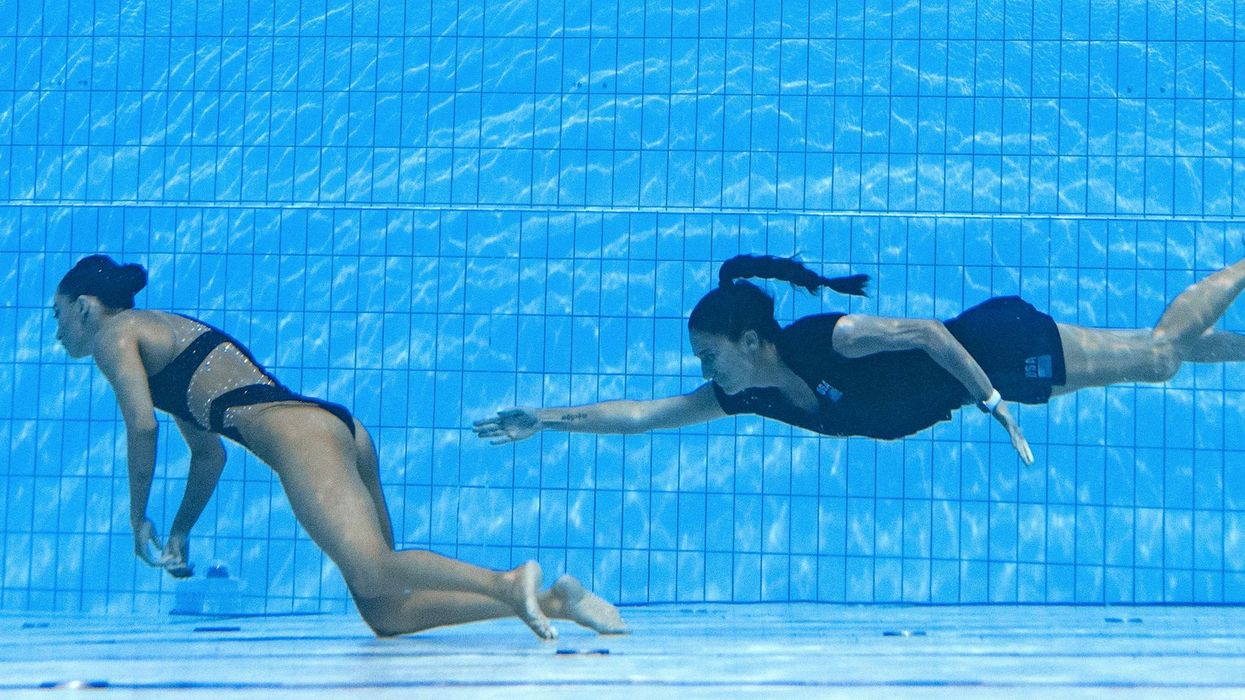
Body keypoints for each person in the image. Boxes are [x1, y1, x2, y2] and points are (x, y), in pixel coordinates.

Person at [53, 254, 627, 639]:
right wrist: (179, 531)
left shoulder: (114, 333)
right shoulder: (163, 338)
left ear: (84, 307)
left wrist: (136, 519)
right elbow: (210, 455)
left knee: (376, 567)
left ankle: (509, 580)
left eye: (59, 317)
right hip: (338, 431)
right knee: (386, 607)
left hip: (299, 435)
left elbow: (141, 427)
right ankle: (555, 599)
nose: (59, 333)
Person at [475, 254, 1245, 465]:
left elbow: (928, 336)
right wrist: (545, 418)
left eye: (711, 355)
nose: (706, 372)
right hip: (995, 373)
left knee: (1157, 355)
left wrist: (990, 402)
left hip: (997, 350)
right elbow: (644, 415)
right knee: (1161, 356)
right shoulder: (749, 394)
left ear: (750, 342)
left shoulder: (826, 338)